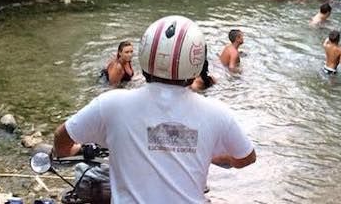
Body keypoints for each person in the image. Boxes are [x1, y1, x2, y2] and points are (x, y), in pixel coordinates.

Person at [53, 15, 256, 203]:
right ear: (196, 62)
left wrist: (77, 149)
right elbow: (246, 157)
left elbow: (61, 140)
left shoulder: (110, 104)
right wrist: (209, 155)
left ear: (145, 54)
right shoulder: (217, 112)